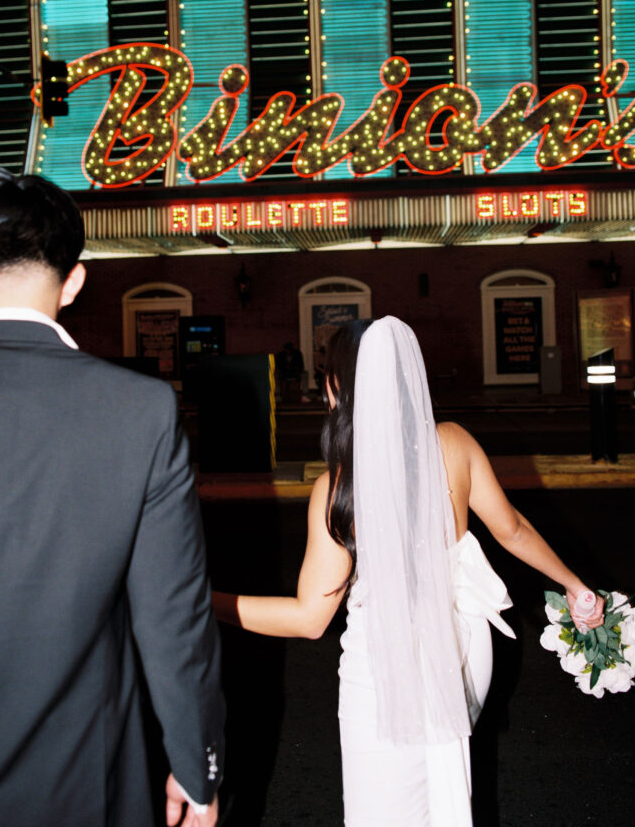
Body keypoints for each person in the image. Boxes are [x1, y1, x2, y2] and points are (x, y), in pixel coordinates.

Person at [213, 316, 603, 826]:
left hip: (385, 668)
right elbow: (512, 530)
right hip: (460, 652)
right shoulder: (455, 443)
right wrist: (576, 587)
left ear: (342, 386)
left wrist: (203, 603)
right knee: (440, 786)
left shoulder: (338, 489)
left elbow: (310, 619)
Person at [0, 169, 224, 827]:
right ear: (75, 281)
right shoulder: (138, 409)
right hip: (79, 781)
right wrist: (195, 764)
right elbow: (174, 622)